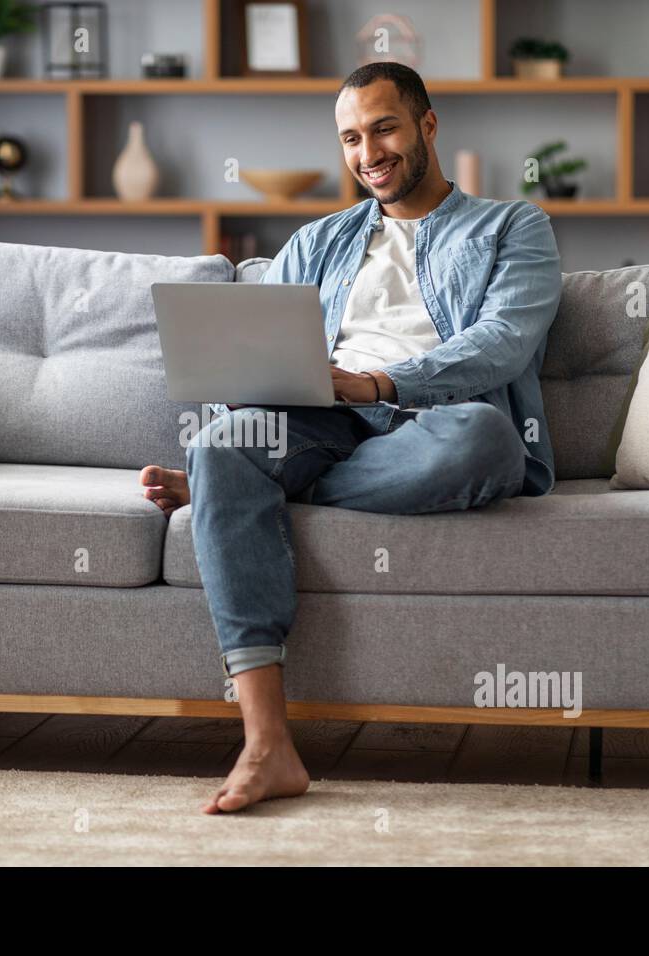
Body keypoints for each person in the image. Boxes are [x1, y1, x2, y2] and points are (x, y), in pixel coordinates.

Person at [139, 61, 562, 814]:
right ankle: (267, 746)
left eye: (384, 127)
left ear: (427, 126)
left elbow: (505, 342)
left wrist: (378, 383)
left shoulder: (511, 226)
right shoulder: (317, 241)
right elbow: (253, 357)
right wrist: (247, 407)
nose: (369, 151)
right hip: (321, 420)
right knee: (223, 443)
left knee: (488, 440)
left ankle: (235, 493)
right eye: (351, 138)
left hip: (434, 420)